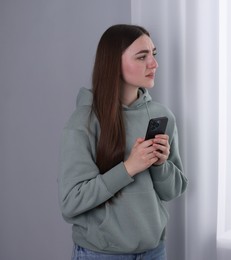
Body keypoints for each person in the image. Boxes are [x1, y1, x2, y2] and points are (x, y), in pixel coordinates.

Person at [58, 24, 188, 260]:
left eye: (153, 55)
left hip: (154, 253)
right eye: (142, 56)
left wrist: (160, 164)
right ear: (114, 64)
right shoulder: (84, 122)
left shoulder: (162, 115)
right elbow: (71, 202)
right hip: (101, 255)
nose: (154, 64)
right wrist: (129, 167)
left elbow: (173, 191)